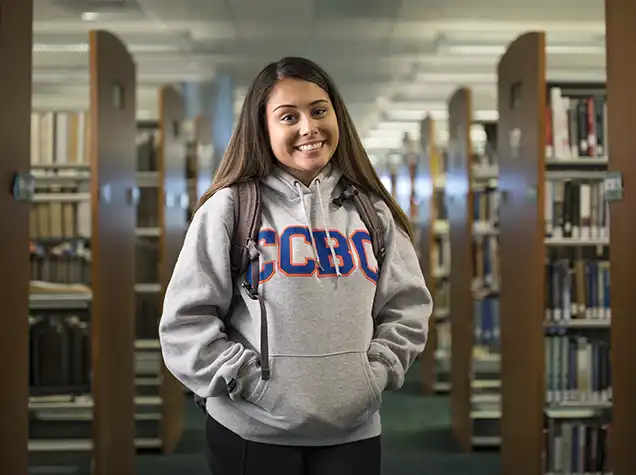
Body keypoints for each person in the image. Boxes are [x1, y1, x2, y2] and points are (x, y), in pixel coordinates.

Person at [158, 56, 433, 475]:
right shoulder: (230, 209)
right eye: (289, 116)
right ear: (263, 128)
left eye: (319, 111)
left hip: (353, 434)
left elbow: (407, 308)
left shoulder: (372, 210)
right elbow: (185, 322)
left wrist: (374, 375)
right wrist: (246, 381)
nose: (309, 128)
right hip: (252, 433)